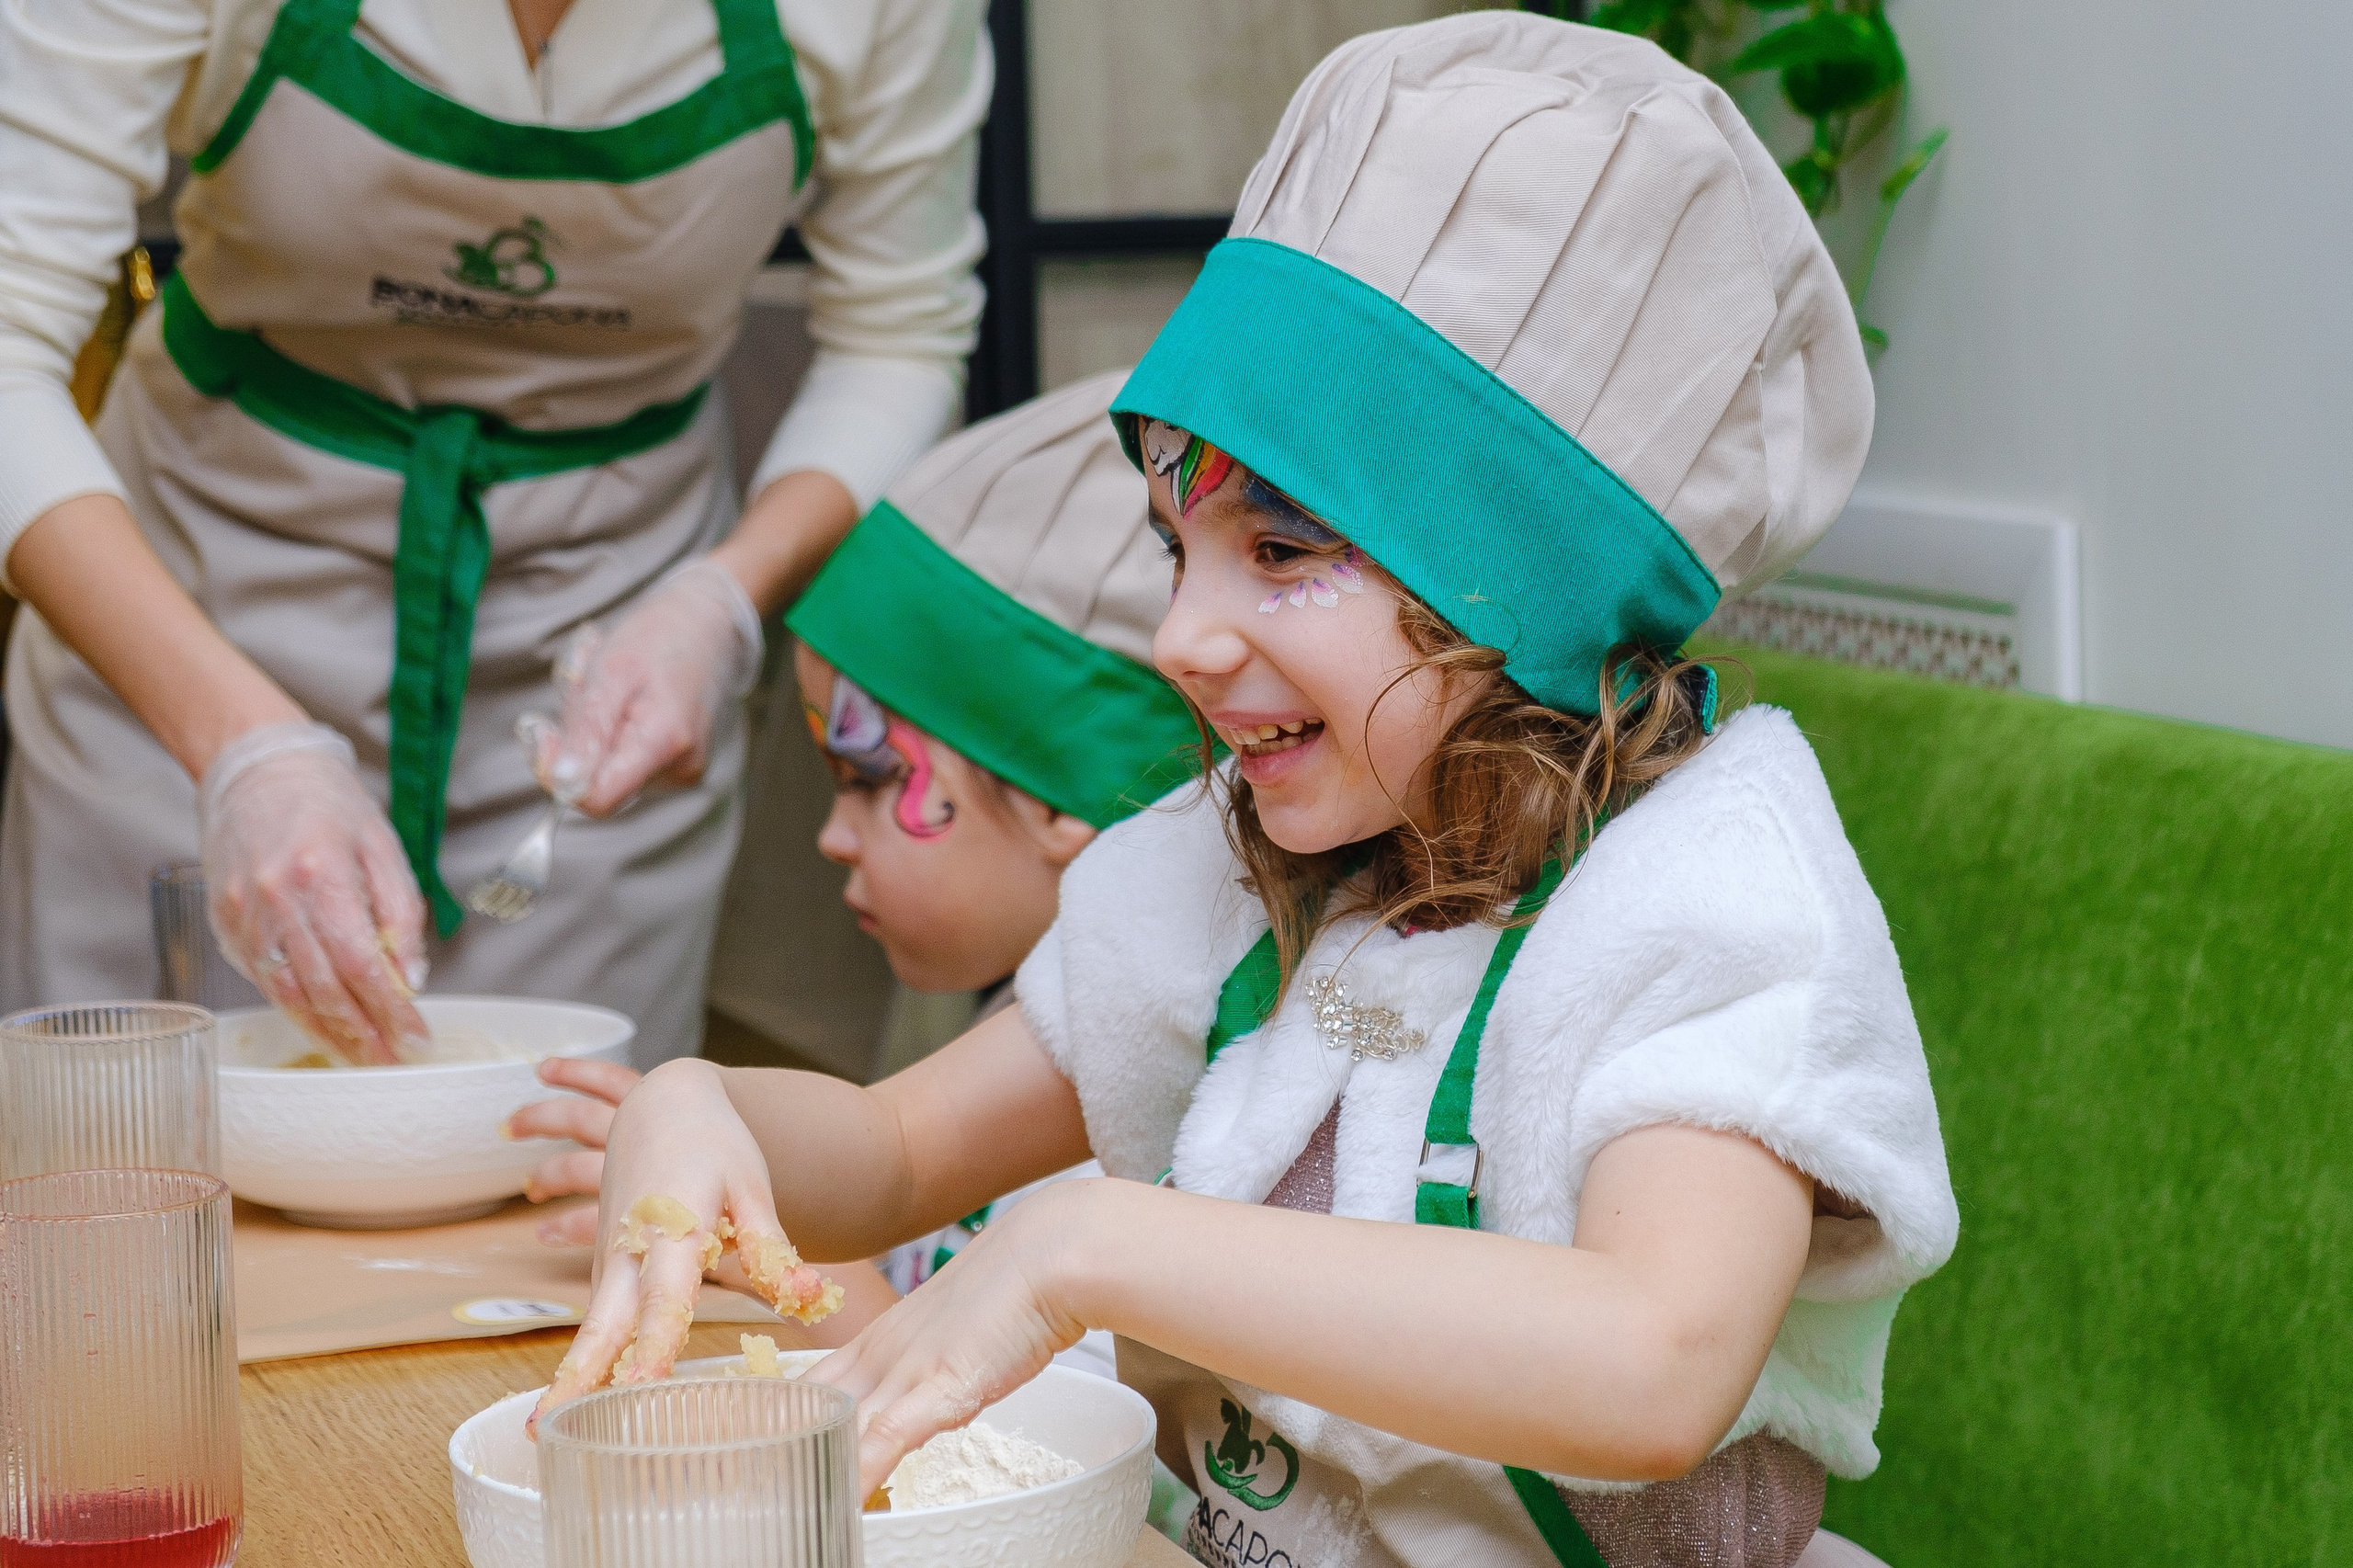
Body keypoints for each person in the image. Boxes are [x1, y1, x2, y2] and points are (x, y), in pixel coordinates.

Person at [540, 16, 1958, 1566]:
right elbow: (886, 1158)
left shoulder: (1705, 902)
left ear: (1521, 591)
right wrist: (695, 1114)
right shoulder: (1222, 875)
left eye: (1280, 553)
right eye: (1176, 549)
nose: (1177, 638)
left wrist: (1092, 1242)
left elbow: (1652, 1363)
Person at [0, 0, 990, 1066]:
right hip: (184, 605)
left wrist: (722, 599)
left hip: (600, 648)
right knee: (144, 1161)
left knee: (570, 1180)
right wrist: (242, 747)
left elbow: (900, 328)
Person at [506, 368, 1194, 1387]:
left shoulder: (1142, 1110)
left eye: (866, 779)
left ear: (1060, 799)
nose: (831, 837)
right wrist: (707, 1153)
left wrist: (778, 1247)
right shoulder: (1009, 1033)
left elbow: (1040, 1429)